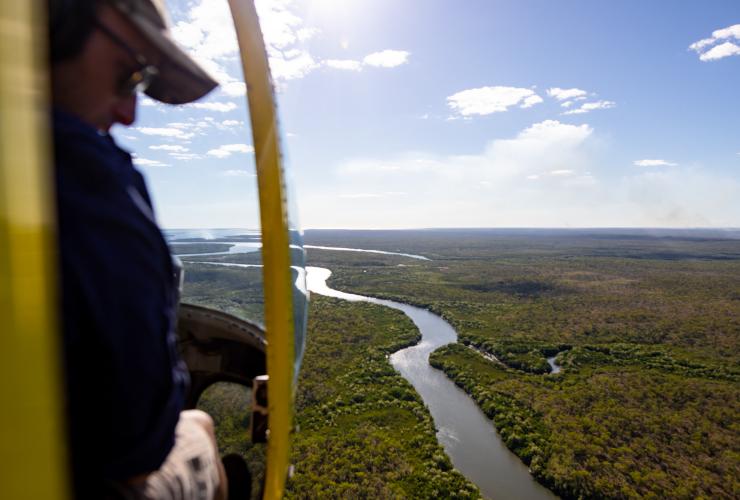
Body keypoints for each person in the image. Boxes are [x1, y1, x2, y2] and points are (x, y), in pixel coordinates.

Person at [49, 0, 227, 497]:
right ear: (58, 26)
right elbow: (136, 447)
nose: (129, 115)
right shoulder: (82, 172)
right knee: (201, 429)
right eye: (131, 76)